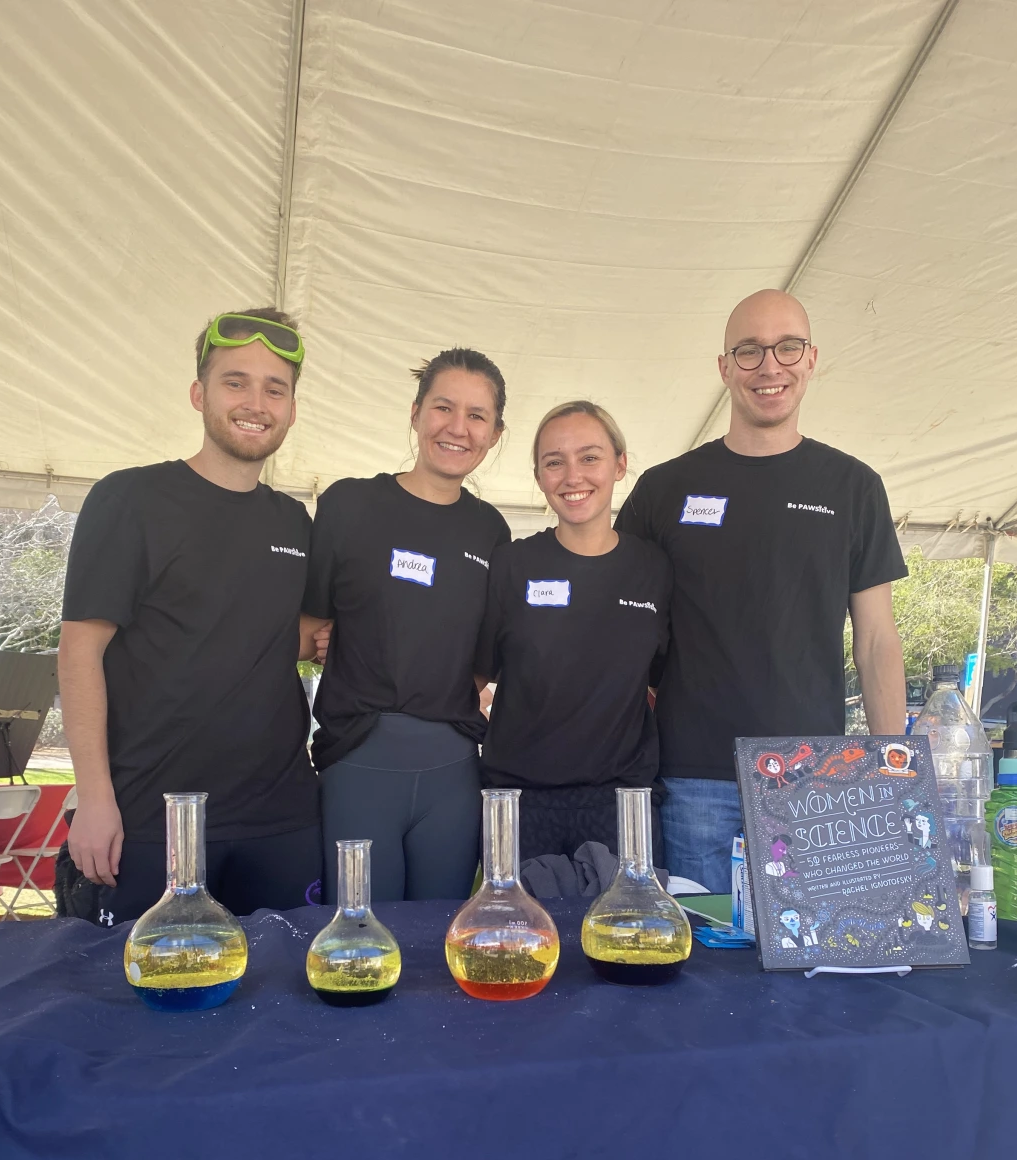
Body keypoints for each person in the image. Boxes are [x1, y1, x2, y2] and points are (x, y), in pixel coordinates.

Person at [616, 289, 907, 893]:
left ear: (812, 358)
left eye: (787, 347)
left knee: (809, 974)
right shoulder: (665, 489)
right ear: (724, 367)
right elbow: (620, 625)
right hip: (694, 777)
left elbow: (877, 640)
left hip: (814, 777)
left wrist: (894, 771)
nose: (770, 366)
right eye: (749, 351)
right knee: (699, 970)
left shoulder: (853, 486)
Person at [57, 308, 322, 924]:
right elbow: (78, 653)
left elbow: (282, 636)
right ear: (199, 393)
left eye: (274, 388)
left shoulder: (294, 523)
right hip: (151, 818)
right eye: (236, 382)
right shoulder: (130, 499)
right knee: (144, 1008)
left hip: (280, 820)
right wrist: (95, 800)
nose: (256, 401)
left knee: (287, 1008)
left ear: (290, 407)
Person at [300, 348, 510, 902]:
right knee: (361, 944)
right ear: (416, 412)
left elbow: (482, 667)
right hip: (360, 763)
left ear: (494, 433)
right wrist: (326, 642)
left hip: (454, 772)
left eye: (477, 416)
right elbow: (305, 630)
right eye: (443, 407)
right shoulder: (350, 504)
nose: (457, 428)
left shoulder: (491, 531)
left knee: (440, 945)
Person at [475, 400, 672, 859]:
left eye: (590, 457)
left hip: (622, 804)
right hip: (520, 803)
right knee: (523, 933)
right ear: (540, 476)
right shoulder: (512, 564)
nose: (572, 476)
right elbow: (474, 676)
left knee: (628, 934)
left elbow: (662, 680)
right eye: (554, 462)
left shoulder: (655, 569)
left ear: (620, 465)